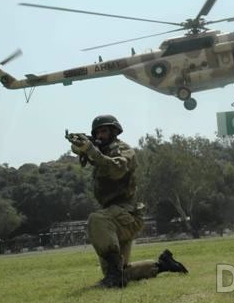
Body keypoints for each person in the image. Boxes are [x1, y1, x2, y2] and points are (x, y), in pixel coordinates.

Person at [69, 114, 188, 288]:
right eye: (97, 134)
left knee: (96, 219)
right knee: (119, 272)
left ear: (114, 131)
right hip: (116, 217)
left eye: (104, 131)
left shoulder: (123, 149)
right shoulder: (102, 151)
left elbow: (117, 169)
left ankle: (114, 275)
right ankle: (163, 265)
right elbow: (89, 155)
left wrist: (91, 150)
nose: (100, 136)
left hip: (126, 214)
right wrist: (82, 147)